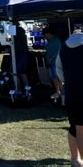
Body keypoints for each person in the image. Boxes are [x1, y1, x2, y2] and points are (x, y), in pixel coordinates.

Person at [57, 31, 83, 167]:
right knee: (81, 129)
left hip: (71, 93)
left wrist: (68, 81)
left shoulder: (63, 47)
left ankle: (75, 159)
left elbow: (58, 69)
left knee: (74, 127)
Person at [42, 27, 62, 99]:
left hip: (56, 63)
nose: (44, 37)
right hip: (51, 63)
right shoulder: (50, 41)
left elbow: (58, 53)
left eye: (45, 35)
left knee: (58, 78)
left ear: (49, 34)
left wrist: (51, 59)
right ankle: (58, 91)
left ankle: (60, 92)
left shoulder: (56, 41)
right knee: (53, 77)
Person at [13, 22, 30, 90]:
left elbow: (17, 46)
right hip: (23, 55)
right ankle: (26, 88)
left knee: (15, 72)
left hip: (19, 55)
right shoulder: (22, 34)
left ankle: (18, 88)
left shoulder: (17, 35)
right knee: (22, 73)